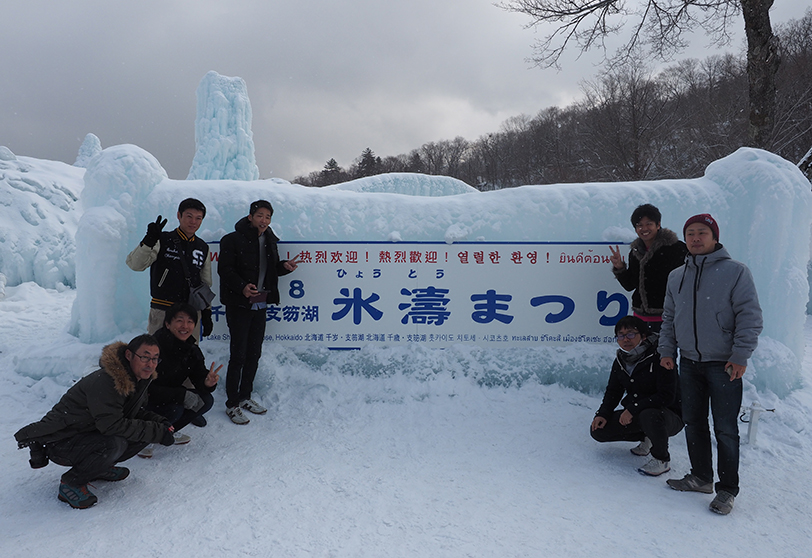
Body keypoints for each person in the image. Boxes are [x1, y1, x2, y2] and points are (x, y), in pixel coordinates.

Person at [659, 214, 763, 515]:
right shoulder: (677, 275)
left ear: (714, 237)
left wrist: (740, 355)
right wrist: (668, 350)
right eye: (690, 233)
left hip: (724, 364)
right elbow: (669, 318)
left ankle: (727, 490)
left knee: (726, 429)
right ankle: (701, 477)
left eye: (702, 233)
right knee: (694, 422)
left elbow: (750, 317)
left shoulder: (735, 272)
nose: (695, 238)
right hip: (689, 362)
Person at [14, 335, 176, 509]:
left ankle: (99, 466)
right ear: (129, 355)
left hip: (87, 433)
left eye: (154, 359)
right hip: (61, 441)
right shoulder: (107, 382)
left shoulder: (137, 379)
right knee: (115, 443)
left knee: (141, 434)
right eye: (145, 357)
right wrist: (156, 432)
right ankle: (71, 483)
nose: (150, 364)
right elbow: (111, 425)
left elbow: (134, 413)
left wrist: (160, 423)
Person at [218, 200, 301, 425]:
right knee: (238, 355)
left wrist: (283, 267)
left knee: (254, 353)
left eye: (268, 217)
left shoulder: (269, 241)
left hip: (260, 304)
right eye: (260, 215)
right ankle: (232, 403)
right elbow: (224, 269)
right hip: (239, 305)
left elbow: (269, 271)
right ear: (250, 217)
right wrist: (242, 286)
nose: (264, 220)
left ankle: (245, 396)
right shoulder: (232, 239)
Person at [591, 316, 683, 477]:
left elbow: (666, 396)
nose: (626, 339)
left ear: (644, 336)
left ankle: (662, 459)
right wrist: (602, 414)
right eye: (621, 335)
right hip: (640, 412)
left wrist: (633, 409)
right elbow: (613, 391)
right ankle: (647, 436)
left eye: (631, 334)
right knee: (599, 431)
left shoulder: (661, 356)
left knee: (650, 415)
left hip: (670, 415)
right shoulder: (621, 360)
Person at [138, 303, 222, 458]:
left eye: (190, 321)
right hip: (143, 400)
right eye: (180, 321)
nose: (185, 326)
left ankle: (167, 430)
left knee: (205, 400)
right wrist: (181, 395)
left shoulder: (191, 349)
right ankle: (145, 436)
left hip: (167, 395)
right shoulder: (154, 347)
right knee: (175, 409)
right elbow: (146, 388)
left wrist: (207, 382)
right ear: (168, 324)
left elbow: (198, 376)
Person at [126, 197, 214, 342]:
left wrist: (206, 312)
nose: (193, 222)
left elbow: (205, 283)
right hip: (163, 310)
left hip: (190, 314)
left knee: (188, 359)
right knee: (158, 356)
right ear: (179, 215)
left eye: (198, 218)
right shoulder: (163, 239)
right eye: (189, 216)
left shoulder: (202, 247)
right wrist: (148, 240)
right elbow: (135, 265)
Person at [610, 204, 687, 333]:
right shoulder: (635, 252)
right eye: (639, 225)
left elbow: (686, 282)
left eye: (649, 224)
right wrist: (620, 267)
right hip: (640, 317)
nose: (644, 228)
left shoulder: (676, 248)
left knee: (665, 352)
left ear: (658, 224)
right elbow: (630, 285)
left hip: (667, 316)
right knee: (642, 352)